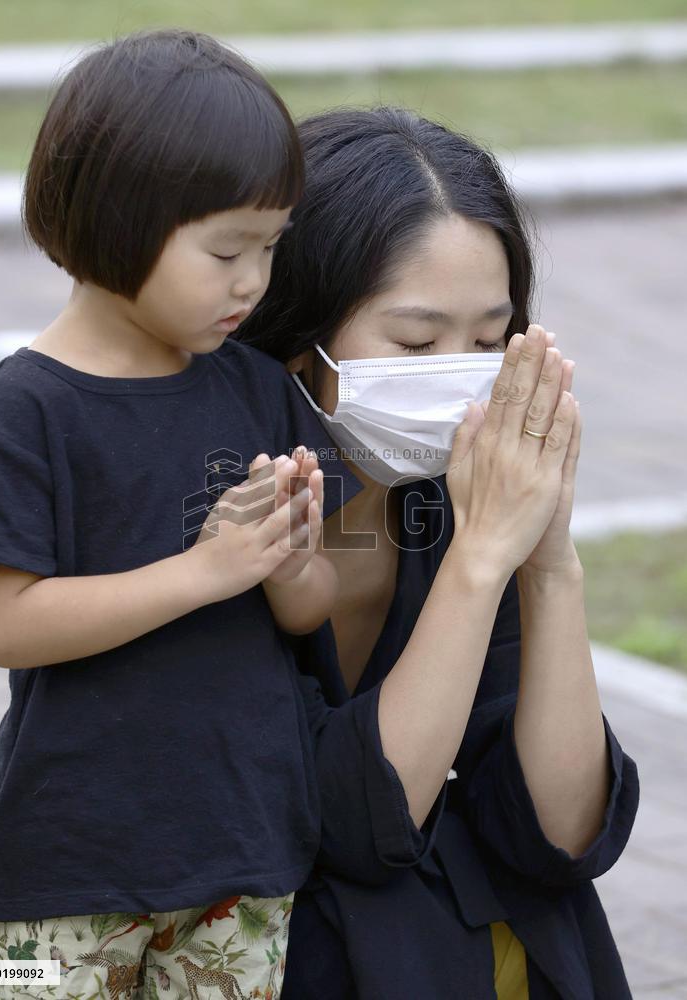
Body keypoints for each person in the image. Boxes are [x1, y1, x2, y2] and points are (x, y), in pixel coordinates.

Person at [0, 34, 425, 1000]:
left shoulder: (253, 391)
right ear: (118, 223)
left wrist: (286, 565)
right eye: (226, 250)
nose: (254, 280)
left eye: (271, 246)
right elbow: (6, 626)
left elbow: (307, 607)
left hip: (241, 855)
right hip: (58, 864)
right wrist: (205, 569)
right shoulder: (27, 404)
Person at [232, 106, 640, 998]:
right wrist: (479, 562)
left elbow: (560, 835)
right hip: (151, 933)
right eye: (416, 343)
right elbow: (351, 822)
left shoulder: (449, 502)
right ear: (299, 338)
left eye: (490, 342)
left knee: (546, 917)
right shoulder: (218, 505)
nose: (461, 379)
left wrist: (545, 561)